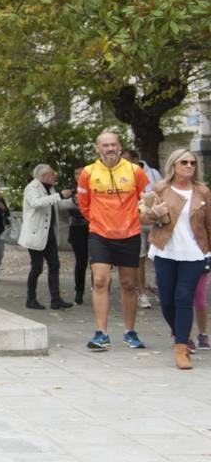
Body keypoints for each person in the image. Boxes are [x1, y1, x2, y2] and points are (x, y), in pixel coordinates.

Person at [78, 130, 149, 351]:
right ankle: (101, 334)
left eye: (114, 144)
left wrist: (133, 219)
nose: (110, 148)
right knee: (100, 281)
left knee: (129, 284)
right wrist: (99, 222)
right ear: (97, 149)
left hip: (129, 235)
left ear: (119, 146)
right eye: (105, 145)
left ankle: (130, 332)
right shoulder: (88, 173)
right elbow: (84, 204)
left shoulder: (134, 171)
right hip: (100, 234)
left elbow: (146, 199)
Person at [142, 149, 211, 370]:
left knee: (184, 297)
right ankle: (179, 331)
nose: (189, 166)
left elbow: (209, 224)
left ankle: (181, 347)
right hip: (165, 250)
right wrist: (154, 212)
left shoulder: (203, 192)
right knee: (167, 300)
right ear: (174, 165)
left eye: (192, 163)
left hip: (194, 253)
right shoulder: (160, 189)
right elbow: (142, 215)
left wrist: (209, 252)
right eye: (184, 162)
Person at [19, 164, 75, 310]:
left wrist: (74, 201)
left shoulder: (49, 188)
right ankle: (30, 299)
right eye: (52, 174)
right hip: (35, 234)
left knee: (55, 265)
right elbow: (36, 203)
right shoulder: (32, 188)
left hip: (49, 233)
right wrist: (60, 195)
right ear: (43, 176)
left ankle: (55, 299)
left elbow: (58, 205)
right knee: (37, 268)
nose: (54, 176)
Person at [124, 150, 158, 309]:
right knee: (140, 260)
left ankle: (159, 286)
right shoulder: (121, 175)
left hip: (153, 222)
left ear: (136, 160)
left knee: (158, 256)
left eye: (127, 161)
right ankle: (142, 293)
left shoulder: (152, 173)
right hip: (135, 222)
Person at [61, 168, 90, 304]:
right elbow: (59, 206)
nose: (79, 176)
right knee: (81, 261)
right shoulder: (71, 192)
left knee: (98, 261)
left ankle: (100, 289)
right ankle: (79, 291)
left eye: (82, 173)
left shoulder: (96, 188)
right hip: (77, 228)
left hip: (94, 227)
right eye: (76, 173)